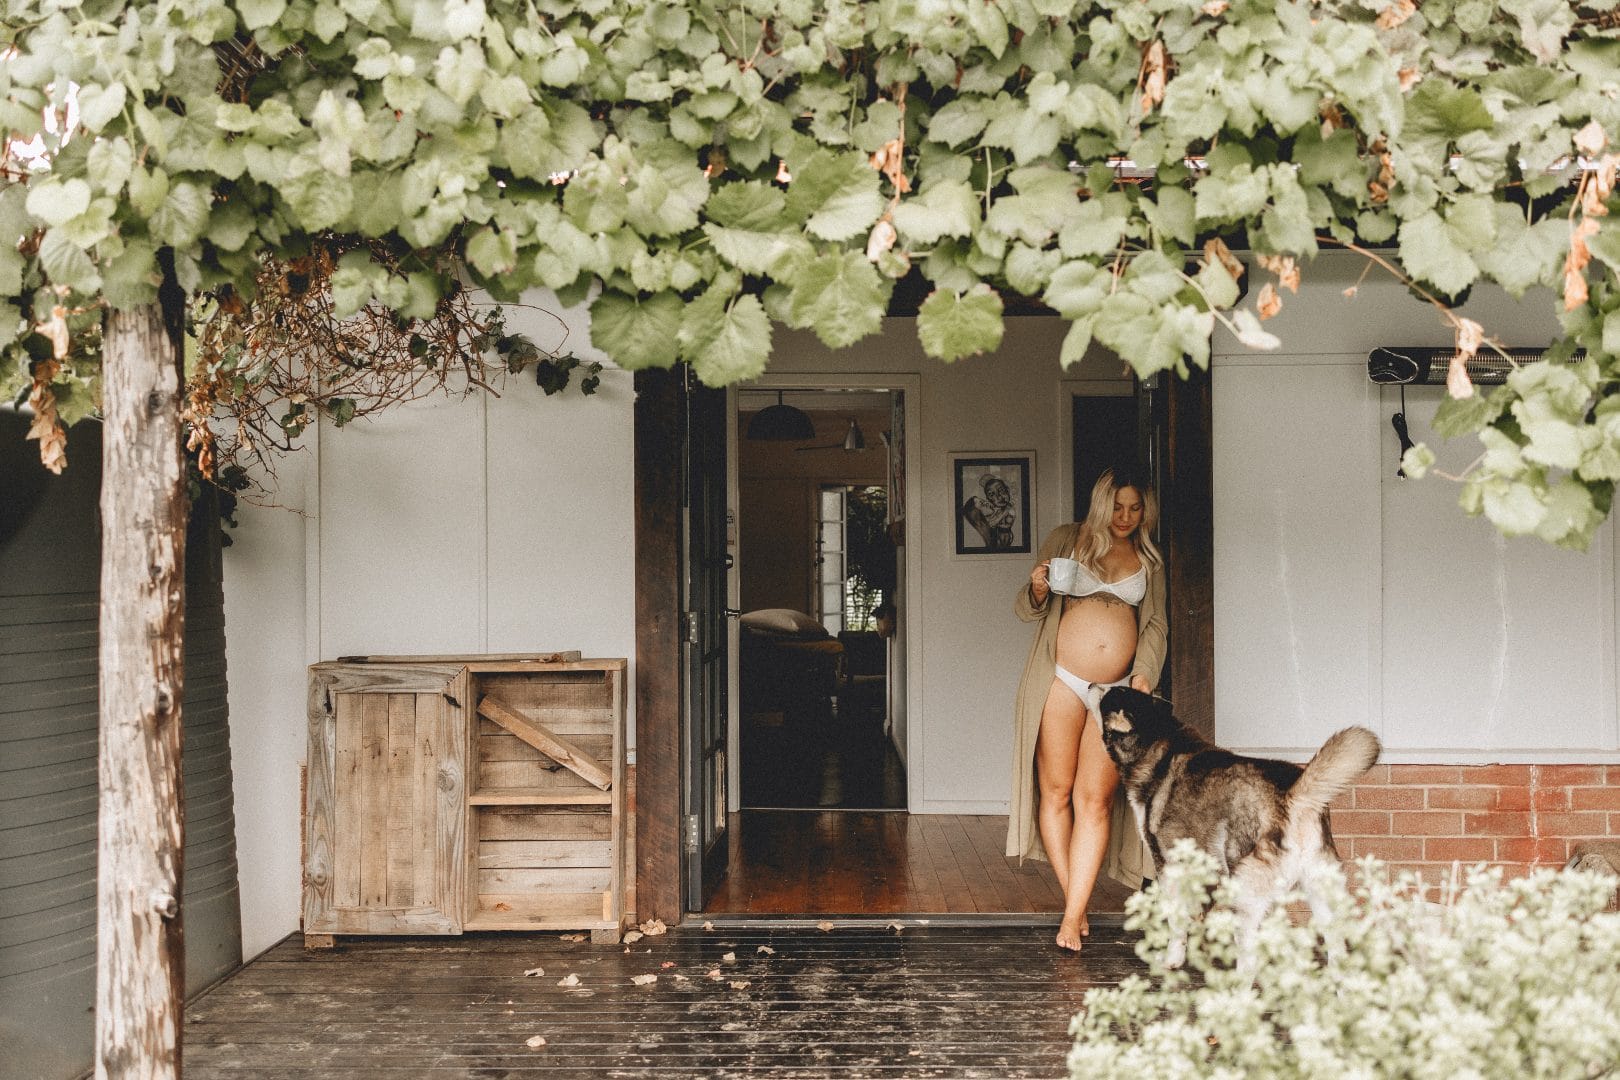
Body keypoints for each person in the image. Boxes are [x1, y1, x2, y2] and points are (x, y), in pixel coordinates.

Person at [1006, 466, 1167, 952]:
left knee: (1093, 799)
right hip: (1060, 680)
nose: (1125, 516)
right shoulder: (1066, 540)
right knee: (1055, 792)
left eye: (1135, 508)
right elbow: (1027, 608)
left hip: (1117, 690)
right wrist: (1036, 588)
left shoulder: (1148, 558)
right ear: (1101, 504)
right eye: (1117, 507)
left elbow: (1156, 625)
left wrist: (1144, 675)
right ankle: (1073, 908)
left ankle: (1073, 913)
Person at [962, 473, 1016, 549]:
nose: (987, 502)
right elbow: (992, 523)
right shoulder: (981, 533)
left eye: (984, 501)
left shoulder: (1006, 511)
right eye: (983, 503)